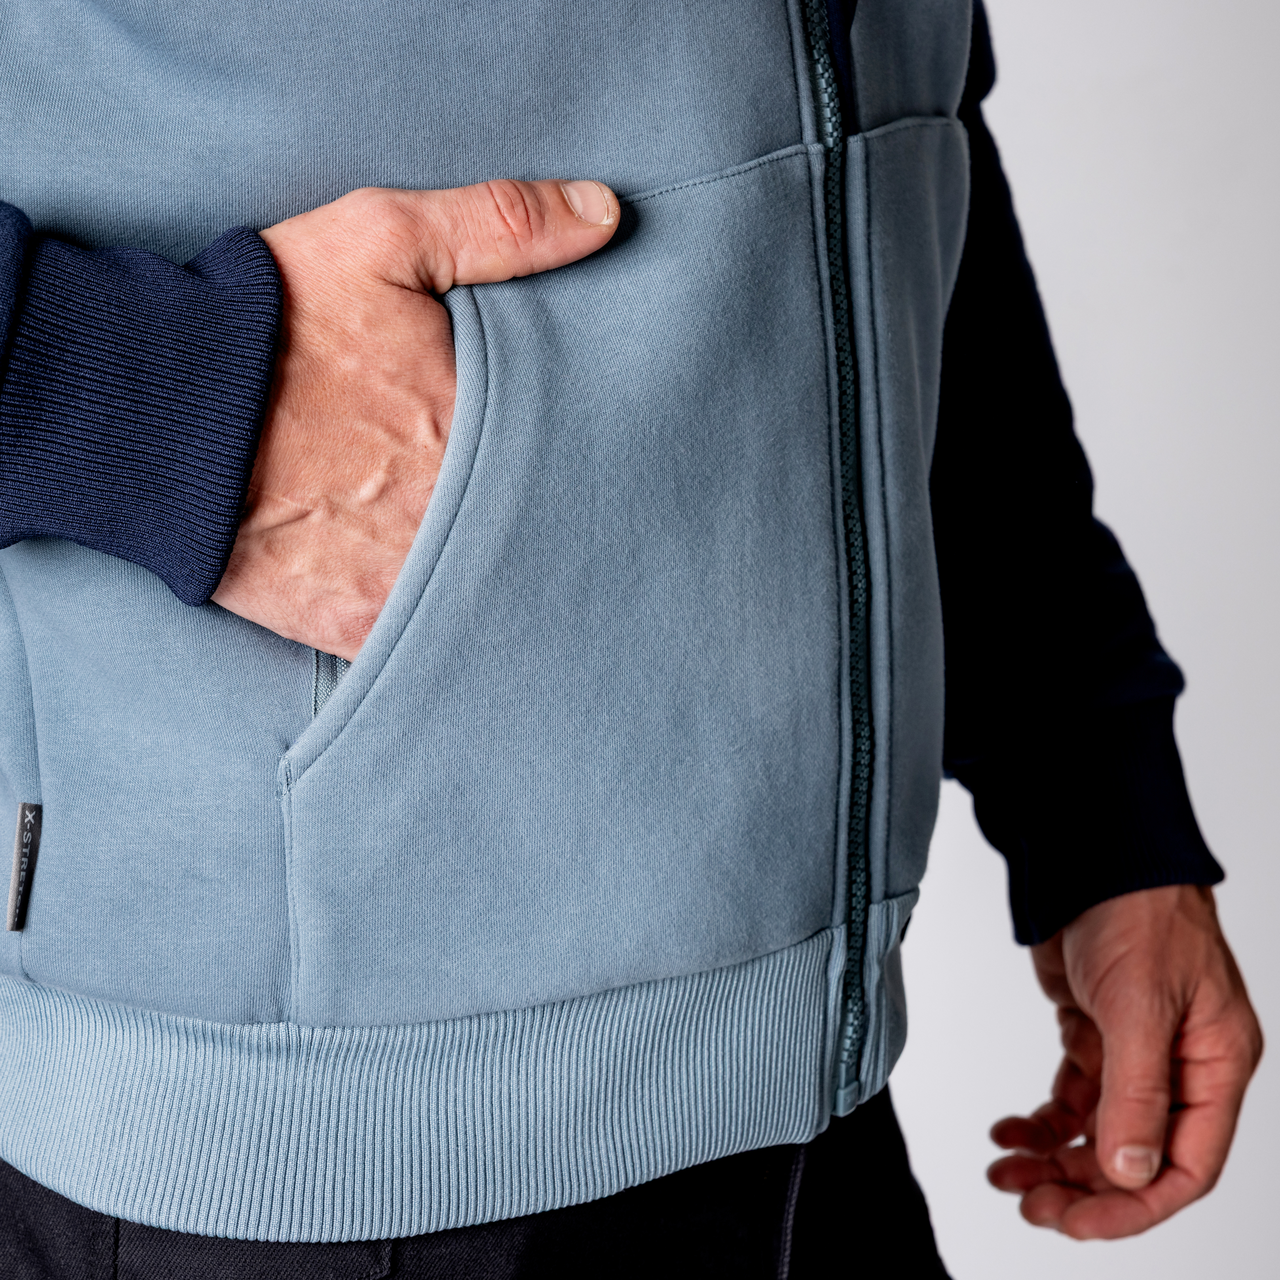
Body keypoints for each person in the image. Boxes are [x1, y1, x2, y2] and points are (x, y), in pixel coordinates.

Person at [0, 1, 1260, 1276]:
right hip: (310, 1153)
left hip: (814, 1114)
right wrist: (163, 399)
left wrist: (1091, 796)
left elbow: (865, 144)